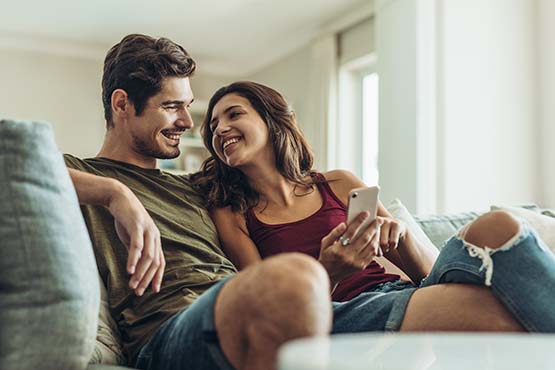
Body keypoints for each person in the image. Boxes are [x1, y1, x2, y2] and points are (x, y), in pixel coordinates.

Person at [193, 81, 555, 337]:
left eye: (233, 115)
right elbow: (274, 312)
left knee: (498, 224)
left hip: (402, 291)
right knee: (500, 307)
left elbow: (427, 277)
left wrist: (399, 236)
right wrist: (328, 271)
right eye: (213, 125)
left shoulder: (337, 182)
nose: (220, 129)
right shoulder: (233, 213)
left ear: (271, 122)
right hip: (339, 312)